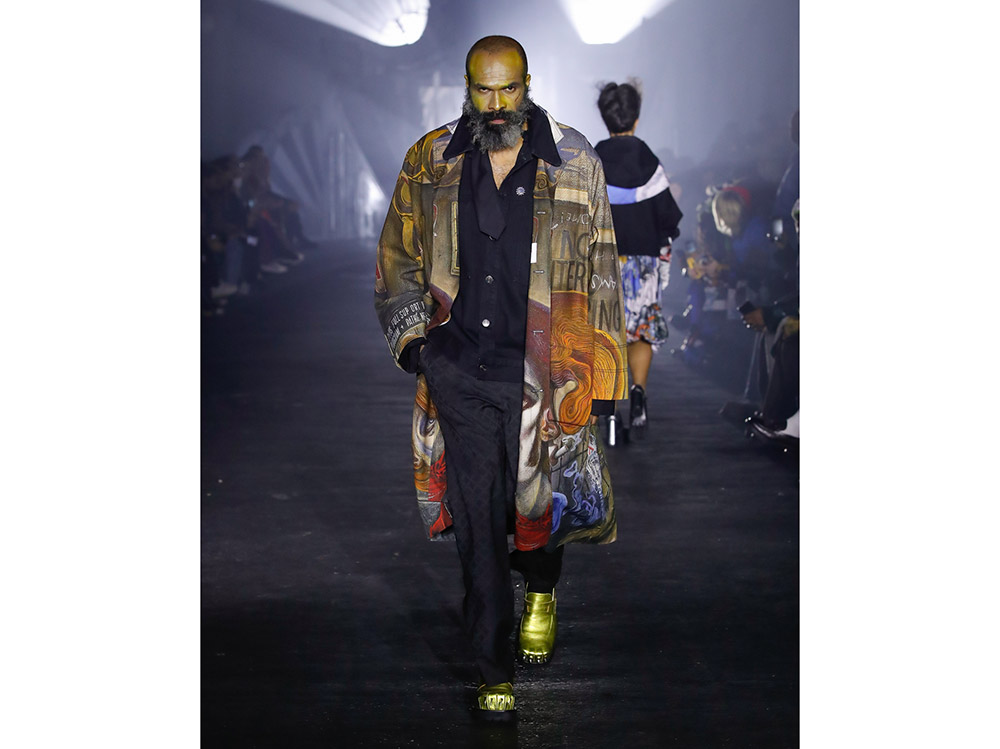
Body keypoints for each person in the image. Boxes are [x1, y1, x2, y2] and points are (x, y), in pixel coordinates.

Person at [374, 35, 628, 720]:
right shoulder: (431, 158)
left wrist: (603, 380)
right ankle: (493, 666)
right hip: (459, 369)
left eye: (507, 89)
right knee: (478, 520)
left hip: (545, 370)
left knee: (536, 505)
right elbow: (397, 254)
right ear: (467, 87)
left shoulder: (573, 159)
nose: (495, 104)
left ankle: (541, 588)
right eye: (483, 90)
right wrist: (416, 346)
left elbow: (603, 264)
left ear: (527, 84)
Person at [594, 81, 683, 437]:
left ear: (605, 118)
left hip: (602, 263)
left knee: (605, 333)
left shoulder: (593, 159)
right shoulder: (649, 161)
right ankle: (639, 393)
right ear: (636, 117)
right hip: (644, 262)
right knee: (640, 332)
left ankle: (607, 410)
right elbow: (668, 218)